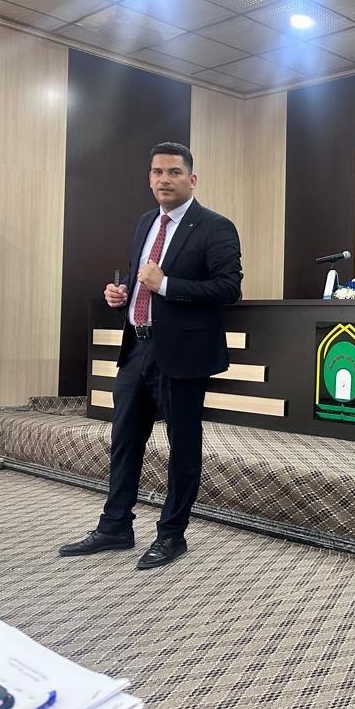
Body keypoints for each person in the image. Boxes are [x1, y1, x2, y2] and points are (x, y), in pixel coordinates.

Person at [59, 142, 242, 569]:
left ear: (192, 179)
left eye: (174, 172)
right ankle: (115, 526)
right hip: (136, 347)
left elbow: (229, 288)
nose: (164, 179)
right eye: (157, 172)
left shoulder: (215, 227)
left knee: (182, 446)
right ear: (149, 178)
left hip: (183, 354)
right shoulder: (146, 222)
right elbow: (142, 282)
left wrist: (166, 285)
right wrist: (121, 296)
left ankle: (172, 535)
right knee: (124, 440)